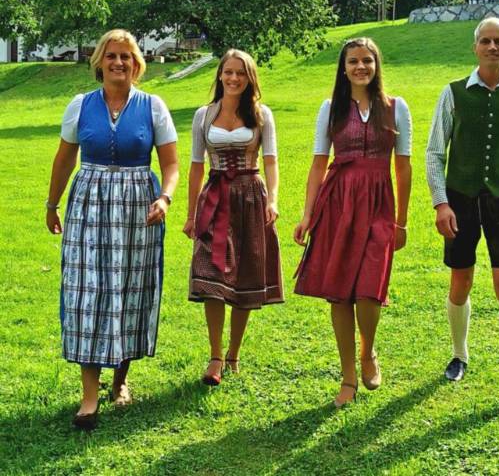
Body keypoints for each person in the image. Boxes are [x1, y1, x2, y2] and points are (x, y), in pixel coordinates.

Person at [46, 29, 179, 430]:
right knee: (86, 290)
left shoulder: (153, 106)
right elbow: (65, 158)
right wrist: (52, 204)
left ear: (137, 64)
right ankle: (89, 396)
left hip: (138, 206)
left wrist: (165, 197)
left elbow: (171, 164)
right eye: (111, 56)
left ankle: (120, 380)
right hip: (89, 204)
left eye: (126, 56)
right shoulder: (80, 105)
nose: (119, 62)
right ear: (99, 62)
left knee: (128, 290)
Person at [425, 17, 499, 410]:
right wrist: (441, 202)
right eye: (486, 41)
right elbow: (435, 152)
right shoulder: (453, 93)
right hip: (460, 198)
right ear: (475, 47)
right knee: (461, 279)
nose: (493, 47)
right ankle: (460, 354)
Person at [293, 37, 412, 408]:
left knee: (370, 288)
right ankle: (347, 375)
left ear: (376, 65)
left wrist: (402, 222)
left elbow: (403, 167)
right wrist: (308, 214)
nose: (360, 67)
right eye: (353, 62)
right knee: (339, 290)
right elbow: (317, 164)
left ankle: (368, 350)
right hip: (339, 202)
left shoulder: (396, 108)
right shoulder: (330, 109)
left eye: (367, 61)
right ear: (343, 69)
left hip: (379, 203)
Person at [183, 49, 283, 386]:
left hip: (250, 196)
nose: (234, 78)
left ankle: (233, 354)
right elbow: (197, 165)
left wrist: (273, 200)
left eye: (241, 73)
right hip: (214, 196)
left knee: (246, 276)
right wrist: (190, 213)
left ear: (250, 77)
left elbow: (270, 160)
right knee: (209, 272)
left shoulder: (261, 114)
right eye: (228, 72)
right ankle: (214, 356)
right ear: (220, 75)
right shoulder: (204, 115)